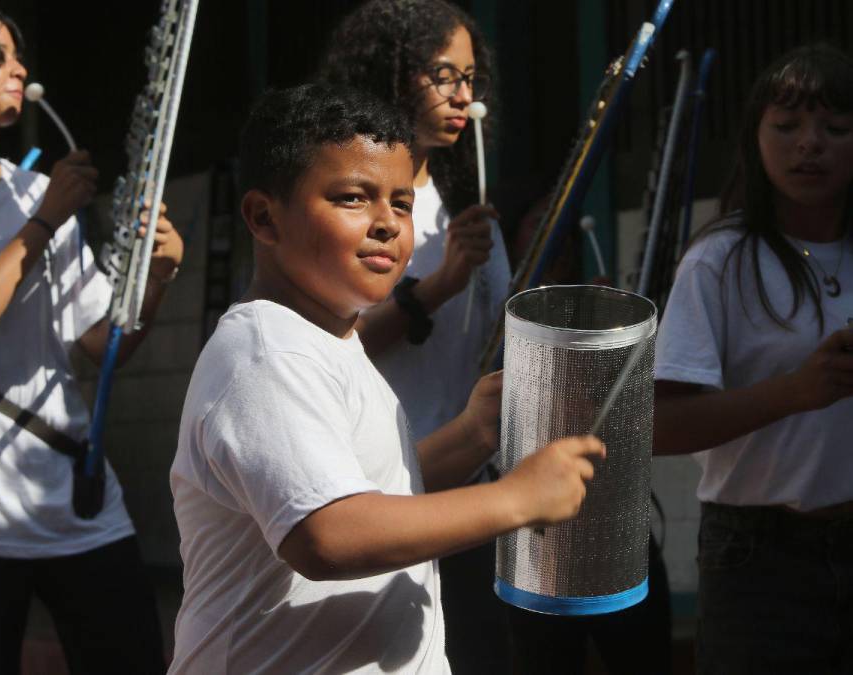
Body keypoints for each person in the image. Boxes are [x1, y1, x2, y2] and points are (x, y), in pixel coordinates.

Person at [168, 83, 605, 674]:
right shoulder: (267, 352)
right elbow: (330, 532)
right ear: (264, 218)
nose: (387, 224)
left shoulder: (331, 338)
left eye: (401, 203)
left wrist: (475, 433)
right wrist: (516, 498)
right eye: (353, 198)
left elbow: (372, 488)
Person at [0, 5, 183, 674]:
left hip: (76, 496)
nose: (18, 69)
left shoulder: (33, 186)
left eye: (19, 55)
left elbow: (98, 341)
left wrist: (158, 275)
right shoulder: (43, 204)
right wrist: (42, 225)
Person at [318, 3, 512, 669]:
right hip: (385, 491)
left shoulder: (466, 204)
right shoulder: (352, 199)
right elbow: (326, 341)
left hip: (471, 490)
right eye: (442, 75)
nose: (463, 96)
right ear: (393, 77)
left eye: (471, 79)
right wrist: (436, 287)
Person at [654, 44, 853, 674]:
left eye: (836, 128)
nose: (810, 144)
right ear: (755, 139)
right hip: (759, 561)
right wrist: (797, 390)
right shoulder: (720, 260)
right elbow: (659, 425)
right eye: (787, 126)